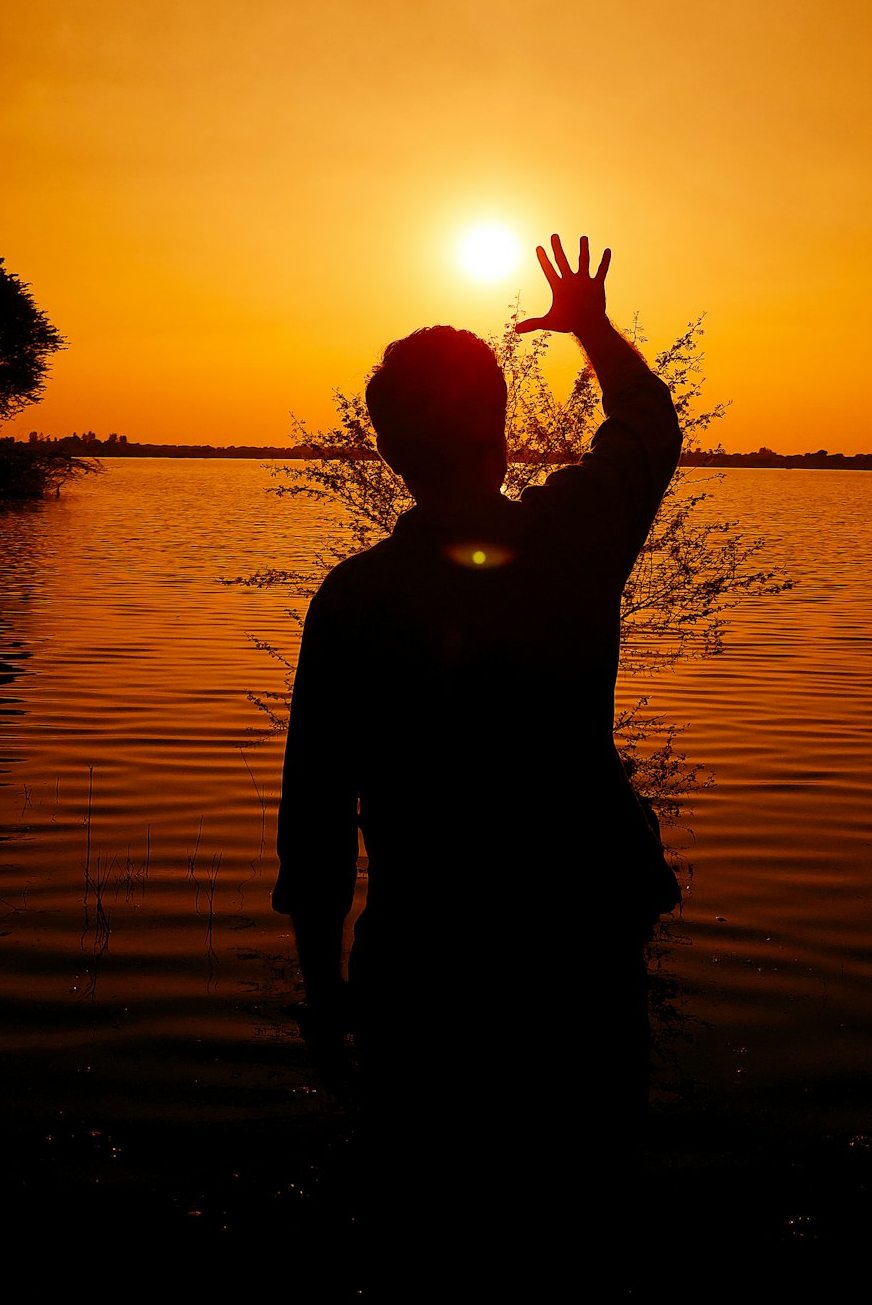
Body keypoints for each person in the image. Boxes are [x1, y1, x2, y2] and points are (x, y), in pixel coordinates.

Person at [273, 234, 682, 1295]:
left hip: (425, 972)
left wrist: (324, 994)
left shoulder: (355, 600)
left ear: (389, 449)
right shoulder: (575, 539)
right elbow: (649, 427)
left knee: (424, 1240)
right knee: (580, 1227)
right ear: (500, 438)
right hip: (574, 965)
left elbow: (317, 823)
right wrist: (590, 328)